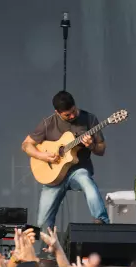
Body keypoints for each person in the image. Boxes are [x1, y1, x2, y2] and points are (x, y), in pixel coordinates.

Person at [22, 90, 109, 230]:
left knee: (87, 181)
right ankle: (48, 250)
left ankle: (101, 221)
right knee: (42, 223)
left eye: (74, 111)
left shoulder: (89, 119)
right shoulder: (48, 123)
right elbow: (26, 145)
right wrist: (42, 156)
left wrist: (92, 145)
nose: (72, 115)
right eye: (67, 115)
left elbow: (102, 149)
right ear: (57, 112)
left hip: (77, 170)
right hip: (54, 176)